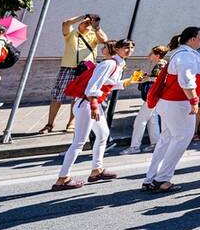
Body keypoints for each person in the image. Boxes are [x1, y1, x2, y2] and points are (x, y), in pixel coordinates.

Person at [53, 39, 139, 189]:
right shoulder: (109, 64)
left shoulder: (118, 64)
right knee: (79, 142)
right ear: (117, 49)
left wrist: (131, 81)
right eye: (126, 47)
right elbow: (92, 87)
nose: (129, 50)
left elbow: (110, 85)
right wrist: (93, 106)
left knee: (103, 134)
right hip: (87, 104)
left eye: (132, 47)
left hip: (92, 104)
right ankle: (62, 179)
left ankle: (96, 170)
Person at [143, 27, 200, 192]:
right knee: (182, 138)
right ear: (192, 39)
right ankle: (161, 179)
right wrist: (194, 101)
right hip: (179, 103)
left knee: (166, 139)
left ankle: (151, 178)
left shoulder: (181, 53)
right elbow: (186, 80)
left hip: (170, 103)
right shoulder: (187, 55)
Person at [42, 14, 107, 133]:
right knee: (57, 96)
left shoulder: (93, 35)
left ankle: (71, 123)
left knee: (76, 98)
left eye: (89, 23)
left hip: (85, 70)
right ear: (79, 24)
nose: (87, 24)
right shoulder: (72, 34)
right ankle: (50, 124)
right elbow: (65, 23)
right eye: (85, 22)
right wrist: (83, 17)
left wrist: (96, 27)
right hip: (68, 68)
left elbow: (104, 41)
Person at [124, 45, 169, 154]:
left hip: (153, 96)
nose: (149, 55)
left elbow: (159, 80)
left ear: (157, 55)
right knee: (152, 119)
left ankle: (135, 146)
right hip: (156, 96)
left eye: (151, 53)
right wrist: (147, 77)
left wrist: (146, 78)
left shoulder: (161, 64)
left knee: (140, 121)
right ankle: (155, 143)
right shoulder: (161, 64)